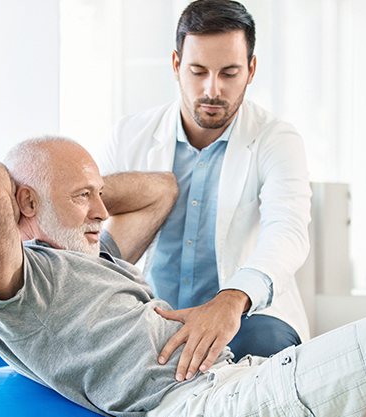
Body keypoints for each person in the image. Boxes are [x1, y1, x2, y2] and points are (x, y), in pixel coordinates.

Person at [0, 136, 366, 417]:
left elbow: (161, 190)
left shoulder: (98, 257)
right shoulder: (23, 288)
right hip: (189, 410)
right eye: (82, 197)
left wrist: (79, 194)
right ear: (23, 202)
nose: (100, 211)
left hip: (235, 380)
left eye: (99, 195)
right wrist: (35, 189)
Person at [96, 0, 312, 366]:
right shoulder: (129, 135)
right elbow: (87, 223)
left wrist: (233, 298)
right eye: (198, 71)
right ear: (177, 64)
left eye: (229, 73)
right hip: (151, 318)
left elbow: (287, 232)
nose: (213, 90)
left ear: (251, 69)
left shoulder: (276, 138)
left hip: (246, 318)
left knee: (261, 345)